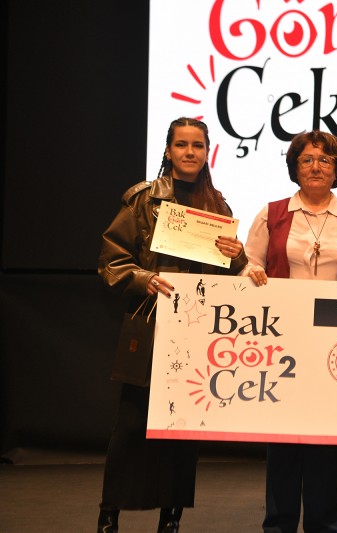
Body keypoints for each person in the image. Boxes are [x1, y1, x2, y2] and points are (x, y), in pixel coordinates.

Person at [97, 117, 248, 532]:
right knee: (132, 422)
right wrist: (143, 279)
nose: (189, 152)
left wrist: (236, 256)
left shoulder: (218, 206)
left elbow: (228, 275)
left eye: (197, 145)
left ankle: (171, 518)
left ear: (207, 152)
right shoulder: (144, 200)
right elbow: (111, 260)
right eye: (181, 145)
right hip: (151, 322)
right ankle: (109, 514)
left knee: (184, 427)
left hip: (196, 328)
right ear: (168, 151)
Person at [242, 130, 337, 533]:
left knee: (328, 444)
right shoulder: (271, 214)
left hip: (335, 345)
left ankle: (325, 526)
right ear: (294, 167)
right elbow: (248, 264)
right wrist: (250, 271)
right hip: (282, 343)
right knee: (283, 443)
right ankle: (278, 526)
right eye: (307, 159)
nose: (316, 167)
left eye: (325, 160)